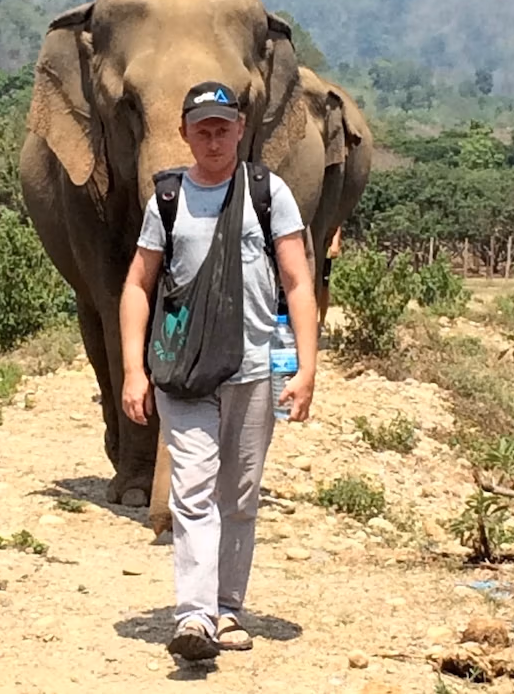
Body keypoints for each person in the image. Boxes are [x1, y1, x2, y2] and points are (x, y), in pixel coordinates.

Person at [119, 80, 318, 661]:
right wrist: (135, 369)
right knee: (193, 489)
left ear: (240, 130)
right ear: (183, 133)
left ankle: (228, 607)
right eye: (201, 127)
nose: (212, 137)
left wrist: (307, 367)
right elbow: (137, 283)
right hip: (184, 373)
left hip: (254, 370)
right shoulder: (169, 200)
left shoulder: (268, 193)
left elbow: (298, 282)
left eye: (222, 127)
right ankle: (195, 617)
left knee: (241, 494)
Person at [317, 225, 342, 332]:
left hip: (324, 244)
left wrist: (335, 241)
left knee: (324, 285)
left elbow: (335, 216)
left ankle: (321, 321)